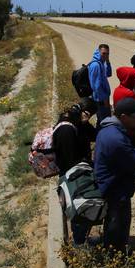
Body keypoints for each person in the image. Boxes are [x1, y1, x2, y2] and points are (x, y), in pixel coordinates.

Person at [94, 98, 135, 250]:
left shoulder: (110, 128)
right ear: (124, 117)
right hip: (116, 191)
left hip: (113, 185)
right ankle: (114, 256)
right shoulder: (116, 139)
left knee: (114, 225)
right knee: (117, 227)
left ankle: (113, 248)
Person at [52, 103, 95, 245]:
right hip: (72, 177)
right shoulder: (67, 131)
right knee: (79, 210)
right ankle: (79, 243)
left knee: (82, 209)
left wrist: (84, 124)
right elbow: (71, 158)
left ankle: (81, 240)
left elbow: (94, 136)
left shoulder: (72, 125)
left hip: (74, 174)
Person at [88, 44, 112, 127]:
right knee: (104, 122)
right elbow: (96, 86)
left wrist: (108, 61)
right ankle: (101, 137)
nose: (105, 56)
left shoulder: (101, 63)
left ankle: (99, 136)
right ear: (98, 52)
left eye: (107, 54)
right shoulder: (96, 65)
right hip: (100, 100)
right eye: (104, 53)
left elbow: (109, 74)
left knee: (102, 121)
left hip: (103, 98)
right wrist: (105, 100)